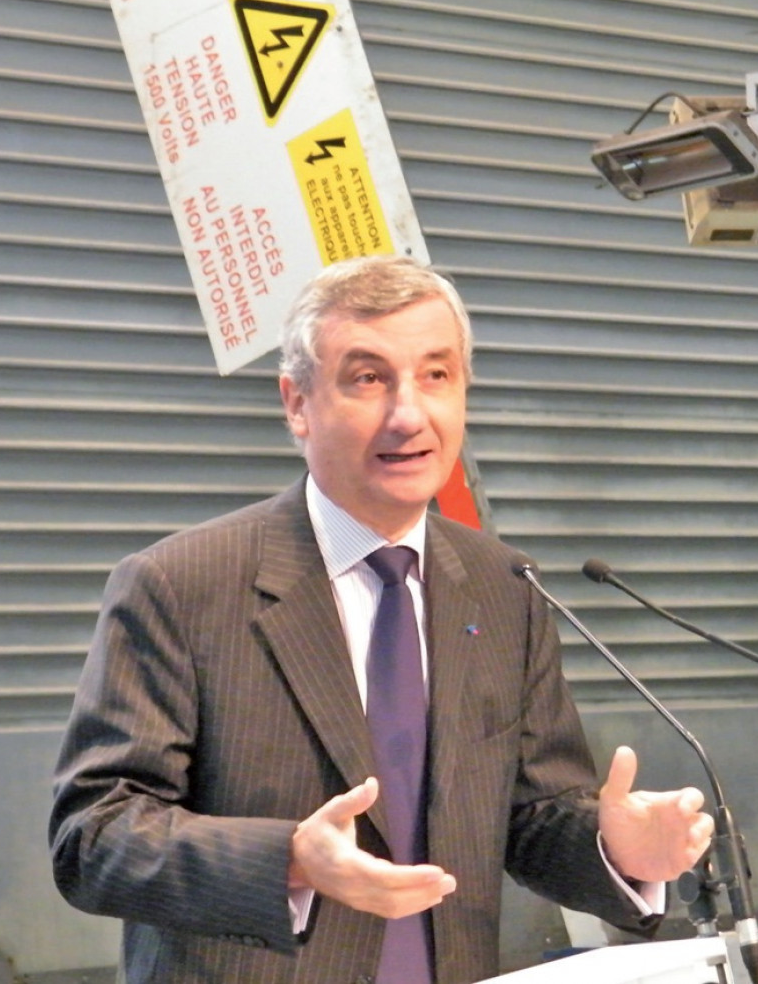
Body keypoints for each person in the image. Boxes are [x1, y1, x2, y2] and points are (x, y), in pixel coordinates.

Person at [49, 255, 714, 984]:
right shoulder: (180, 586)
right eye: (368, 378)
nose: (409, 413)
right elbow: (95, 835)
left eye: (437, 375)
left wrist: (616, 850)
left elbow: (528, 818)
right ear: (297, 403)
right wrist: (293, 861)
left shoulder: (503, 586)